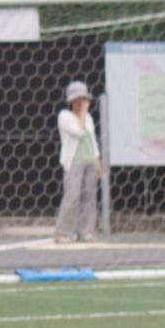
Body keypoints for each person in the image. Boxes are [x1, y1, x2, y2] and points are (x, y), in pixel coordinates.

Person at [55, 82, 101, 243]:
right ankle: (64, 232)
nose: (79, 103)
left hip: (89, 160)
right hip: (74, 161)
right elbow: (78, 132)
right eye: (76, 100)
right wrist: (82, 112)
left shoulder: (88, 117)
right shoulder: (64, 116)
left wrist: (97, 160)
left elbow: (92, 139)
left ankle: (85, 231)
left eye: (82, 99)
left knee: (89, 196)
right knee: (72, 195)